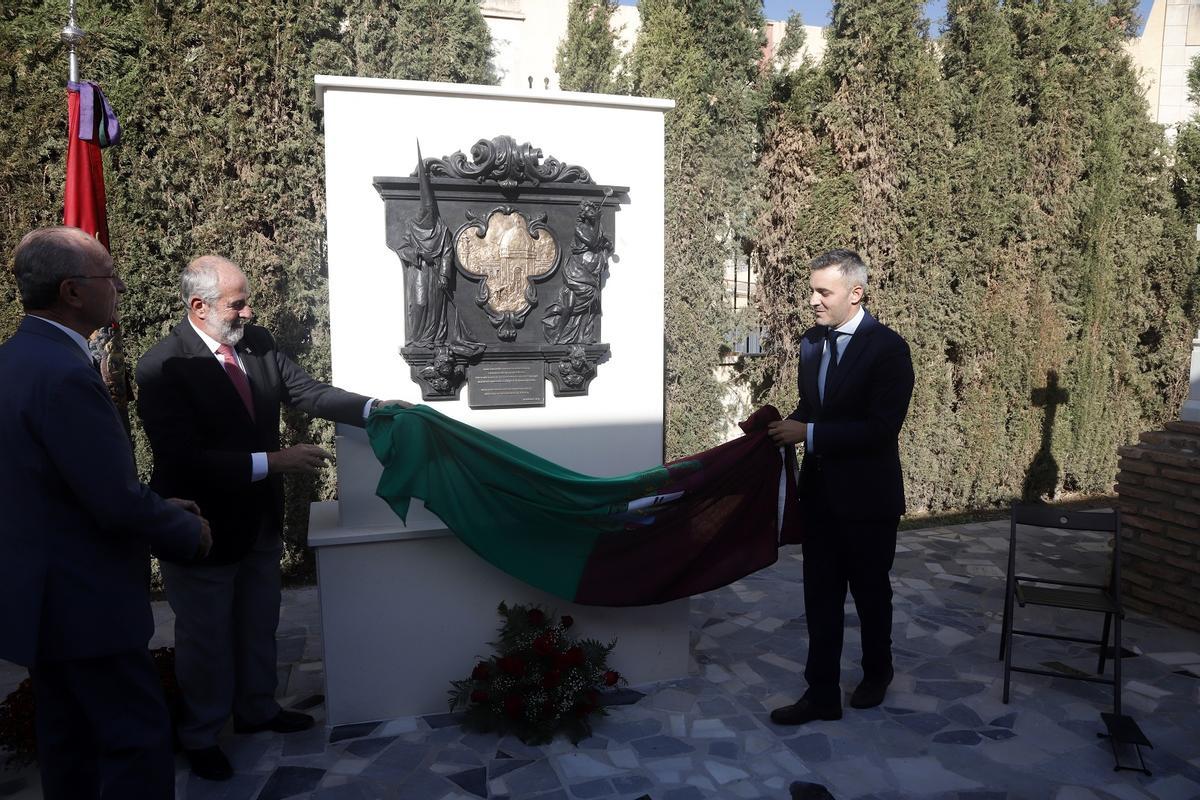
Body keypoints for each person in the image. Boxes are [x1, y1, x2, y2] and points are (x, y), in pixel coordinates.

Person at [135, 254, 405, 781]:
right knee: (206, 640)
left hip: (258, 523)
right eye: (238, 303)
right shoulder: (162, 365)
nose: (249, 311)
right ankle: (201, 733)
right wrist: (274, 462)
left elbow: (309, 392)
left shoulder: (257, 346)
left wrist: (376, 408)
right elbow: (181, 458)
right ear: (200, 307)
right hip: (203, 529)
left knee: (260, 624)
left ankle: (257, 710)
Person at [0, 226, 211, 799]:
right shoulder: (65, 374)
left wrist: (153, 504)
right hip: (85, 603)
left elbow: (51, 485)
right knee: (131, 748)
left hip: (44, 599)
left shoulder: (16, 359)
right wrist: (184, 529)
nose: (118, 287)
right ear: (72, 291)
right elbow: (113, 500)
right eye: (108, 278)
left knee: (70, 751)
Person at [767, 249, 914, 725]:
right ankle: (822, 694)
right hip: (822, 498)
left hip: (869, 500)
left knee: (872, 594)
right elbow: (814, 409)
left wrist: (806, 434)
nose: (812, 300)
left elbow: (880, 428)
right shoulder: (811, 344)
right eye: (811, 290)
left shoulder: (888, 348)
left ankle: (877, 673)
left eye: (822, 292)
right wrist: (780, 428)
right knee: (821, 598)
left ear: (856, 293)